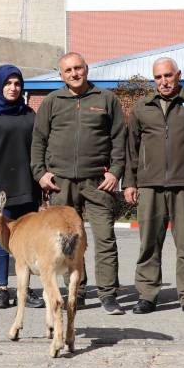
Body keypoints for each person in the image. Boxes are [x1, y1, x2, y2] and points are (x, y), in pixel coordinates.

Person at [31, 52, 127, 315]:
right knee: (69, 241)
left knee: (105, 238)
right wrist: (40, 173)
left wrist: (116, 172)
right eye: (68, 70)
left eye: (78, 68)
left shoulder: (106, 99)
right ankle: (77, 291)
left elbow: (120, 139)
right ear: (61, 75)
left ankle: (108, 295)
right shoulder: (52, 101)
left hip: (98, 182)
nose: (74, 74)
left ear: (87, 69)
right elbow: (38, 140)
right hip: (60, 183)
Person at [124, 58, 184, 315]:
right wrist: (130, 182)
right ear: (154, 80)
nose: (164, 81)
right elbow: (132, 149)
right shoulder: (142, 107)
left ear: (178, 75)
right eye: (159, 77)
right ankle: (147, 295)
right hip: (150, 186)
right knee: (149, 243)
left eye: (168, 75)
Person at [0, 64, 44, 309]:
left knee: (27, 241)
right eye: (8, 83)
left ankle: (26, 288)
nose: (13, 88)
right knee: (1, 239)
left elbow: (38, 149)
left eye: (17, 84)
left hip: (27, 185)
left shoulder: (29, 115)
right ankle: (2, 289)